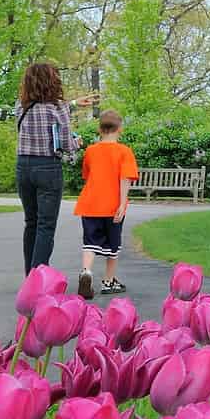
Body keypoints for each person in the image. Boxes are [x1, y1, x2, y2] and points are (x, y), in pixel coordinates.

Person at [14, 62, 96, 274]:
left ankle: (29, 275)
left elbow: (41, 112)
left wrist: (75, 103)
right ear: (52, 82)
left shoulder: (20, 106)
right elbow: (67, 145)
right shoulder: (57, 108)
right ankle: (38, 277)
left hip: (23, 167)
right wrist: (77, 143)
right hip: (48, 168)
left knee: (31, 222)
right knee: (45, 226)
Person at [74, 108, 139, 299]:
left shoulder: (90, 151)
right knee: (113, 245)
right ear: (120, 129)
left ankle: (86, 272)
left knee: (90, 242)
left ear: (99, 130)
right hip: (112, 206)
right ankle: (108, 281)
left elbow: (87, 175)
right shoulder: (124, 152)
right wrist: (121, 204)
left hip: (90, 204)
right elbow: (125, 179)